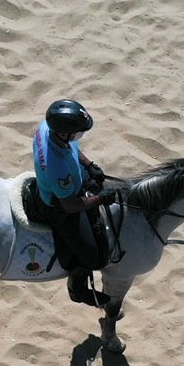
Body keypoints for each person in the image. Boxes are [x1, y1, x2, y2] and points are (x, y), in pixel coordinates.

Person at [30, 99, 118, 307]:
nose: (80, 136)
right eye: (78, 132)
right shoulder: (57, 167)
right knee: (91, 258)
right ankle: (77, 290)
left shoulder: (47, 128)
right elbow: (70, 206)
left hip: (74, 178)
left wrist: (89, 165)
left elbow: (72, 148)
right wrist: (99, 199)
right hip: (58, 206)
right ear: (63, 133)